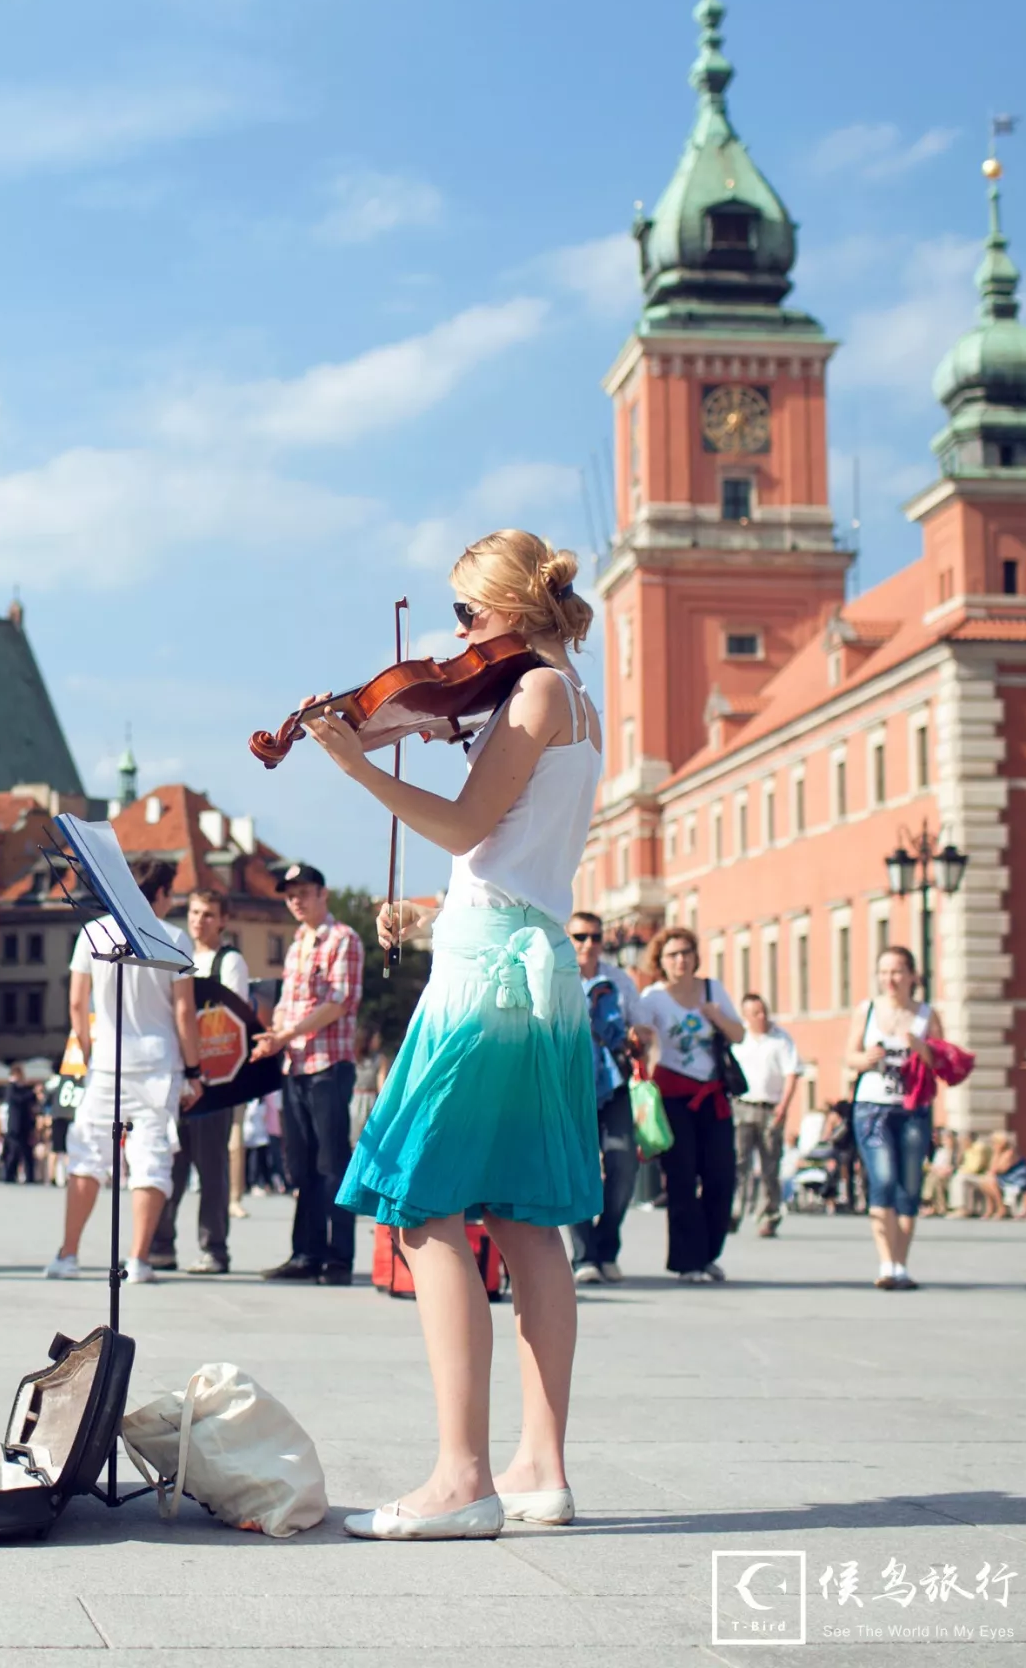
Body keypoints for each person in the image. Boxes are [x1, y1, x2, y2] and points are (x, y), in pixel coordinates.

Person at [300, 529, 602, 1541]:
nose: (456, 637)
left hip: (486, 982)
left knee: (423, 1205)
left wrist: (357, 766)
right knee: (522, 1219)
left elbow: (471, 825)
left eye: (468, 618)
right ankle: (538, 1470)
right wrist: (437, 908)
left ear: (511, 612)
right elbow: (520, 859)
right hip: (529, 958)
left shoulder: (534, 694)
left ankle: (461, 1476)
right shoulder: (569, 699)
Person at [45, 857, 204, 1283]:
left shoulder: (93, 932)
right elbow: (185, 1012)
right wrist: (194, 1069)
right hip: (157, 1062)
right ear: (162, 893)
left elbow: (78, 1004)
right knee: (151, 1159)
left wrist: (89, 1048)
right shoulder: (173, 937)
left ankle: (68, 1254)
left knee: (87, 1156)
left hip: (107, 1061)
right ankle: (137, 1259)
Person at [252, 864, 364, 1286]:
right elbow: (287, 1002)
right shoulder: (298, 941)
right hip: (295, 1064)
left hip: (328, 1065)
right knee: (301, 1165)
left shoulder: (344, 940)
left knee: (333, 1161)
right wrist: (273, 1038)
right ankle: (306, 1252)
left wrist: (286, 1034)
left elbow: (339, 1002)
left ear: (323, 894)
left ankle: (338, 1257)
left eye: (303, 892)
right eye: (289, 895)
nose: (295, 900)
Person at [636, 928, 744, 1283]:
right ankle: (687, 1262)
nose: (680, 960)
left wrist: (717, 1017)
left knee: (721, 1176)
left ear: (696, 956)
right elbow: (639, 1033)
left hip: (713, 1095)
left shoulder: (712, 990)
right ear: (661, 962)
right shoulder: (654, 997)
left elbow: (739, 1034)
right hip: (673, 1096)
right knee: (681, 1179)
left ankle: (709, 1253)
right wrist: (643, 1037)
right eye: (672, 955)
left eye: (686, 953)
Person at [150, 889, 249, 1275]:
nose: (199, 920)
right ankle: (161, 1244)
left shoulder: (230, 961)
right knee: (171, 1164)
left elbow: (231, 1018)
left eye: (208, 914)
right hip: (178, 1076)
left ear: (223, 920)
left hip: (214, 1081)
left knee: (211, 1170)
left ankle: (214, 1248)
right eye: (194, 912)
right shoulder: (178, 955)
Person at [844, 944, 939, 1291]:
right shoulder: (866, 1010)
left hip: (914, 1108)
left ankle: (901, 1264)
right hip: (872, 1107)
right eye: (884, 972)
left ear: (912, 975)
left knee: (909, 1187)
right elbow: (849, 1057)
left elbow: (942, 1061)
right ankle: (886, 1262)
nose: (890, 979)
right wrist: (864, 1058)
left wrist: (921, 1049)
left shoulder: (926, 1015)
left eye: (897, 971)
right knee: (883, 1179)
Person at [565, 911, 642, 1285]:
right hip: (567, 1083)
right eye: (580, 937)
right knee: (577, 1167)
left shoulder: (619, 980)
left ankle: (606, 1243)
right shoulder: (555, 974)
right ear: (567, 937)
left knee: (623, 1162)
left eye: (595, 937)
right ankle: (584, 1256)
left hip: (613, 1082)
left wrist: (636, 1036)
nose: (588, 945)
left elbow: (643, 1024)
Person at [731, 993, 801, 1238]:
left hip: (770, 1107)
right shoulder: (738, 1038)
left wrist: (784, 1105)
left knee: (770, 1163)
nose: (762, 1016)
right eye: (755, 1013)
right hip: (741, 1106)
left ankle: (768, 1215)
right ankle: (734, 1211)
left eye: (764, 1011)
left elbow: (792, 1073)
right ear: (746, 1016)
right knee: (739, 1163)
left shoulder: (781, 1039)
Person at [1, 1063, 38, 1183]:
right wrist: (32, 1092)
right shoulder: (10, 1088)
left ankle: (30, 1177)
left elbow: (32, 1101)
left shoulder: (24, 1089)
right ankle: (9, 1175)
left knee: (27, 1153)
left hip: (25, 1126)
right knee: (13, 1152)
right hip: (14, 1126)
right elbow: (18, 1099)